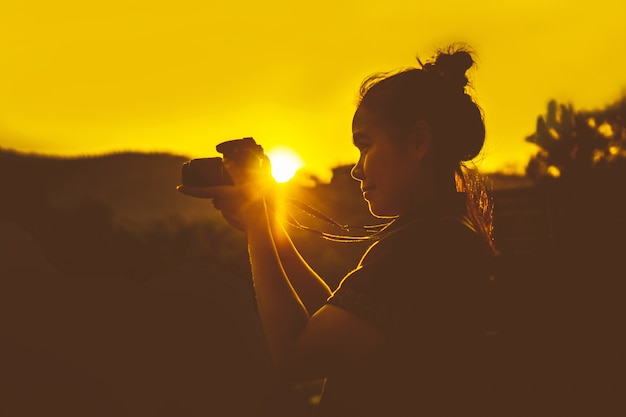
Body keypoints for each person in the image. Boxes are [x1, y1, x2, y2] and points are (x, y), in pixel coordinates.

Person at [178, 44, 498, 416]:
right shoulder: (438, 233)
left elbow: (297, 356)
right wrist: (264, 226)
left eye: (365, 146)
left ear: (418, 142)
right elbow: (329, 319)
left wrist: (257, 222)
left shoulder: (428, 247)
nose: (357, 169)